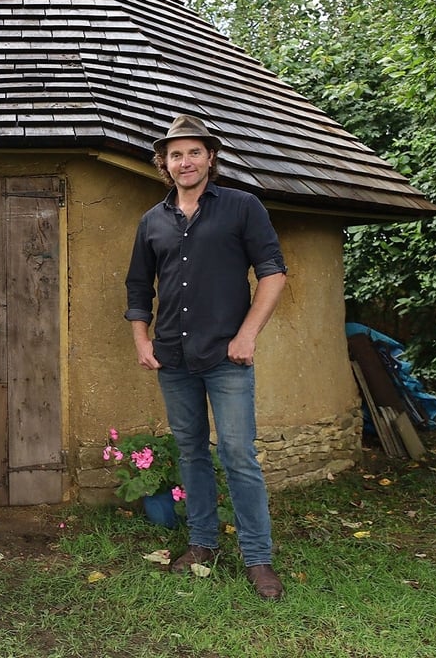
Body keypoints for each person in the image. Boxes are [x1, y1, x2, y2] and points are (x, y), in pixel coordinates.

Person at [124, 114, 289, 600]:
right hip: (173, 357)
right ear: (164, 163)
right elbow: (138, 286)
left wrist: (247, 335)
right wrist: (142, 340)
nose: (185, 161)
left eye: (194, 152)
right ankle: (203, 544)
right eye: (176, 154)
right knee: (192, 450)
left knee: (238, 455)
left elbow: (273, 274)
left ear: (210, 158)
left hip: (227, 356)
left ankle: (258, 559)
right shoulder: (152, 221)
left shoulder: (242, 207)